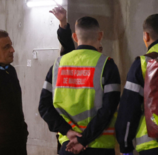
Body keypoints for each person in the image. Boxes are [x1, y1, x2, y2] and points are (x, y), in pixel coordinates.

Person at [38, 16, 121, 155]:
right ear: (100, 35)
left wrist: (68, 131)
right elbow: (108, 109)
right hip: (100, 147)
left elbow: (44, 107)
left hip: (68, 146)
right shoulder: (107, 65)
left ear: (75, 37)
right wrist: (84, 140)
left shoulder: (58, 65)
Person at [116, 14, 158, 155]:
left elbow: (129, 107)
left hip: (152, 144)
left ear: (146, 36)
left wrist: (125, 144)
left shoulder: (144, 64)